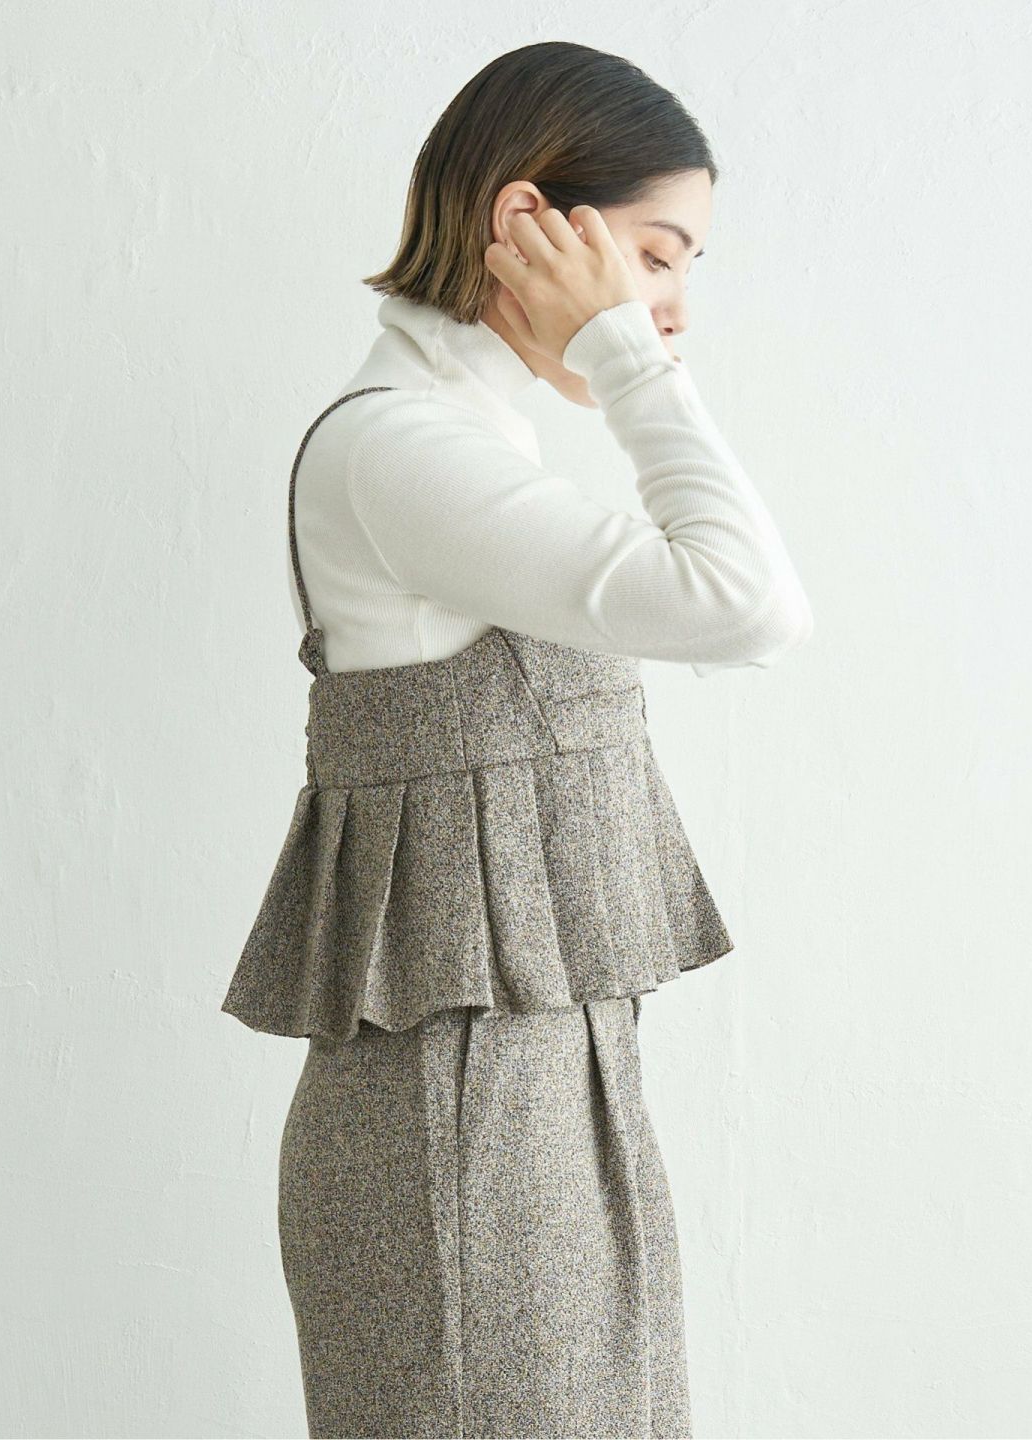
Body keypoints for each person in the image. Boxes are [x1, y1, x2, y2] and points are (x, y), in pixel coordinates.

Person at [222, 39, 813, 1440]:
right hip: (462, 1126)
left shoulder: (471, 441)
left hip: (534, 1102)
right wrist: (624, 357)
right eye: (655, 257)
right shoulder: (401, 451)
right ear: (528, 220)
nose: (672, 309)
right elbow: (747, 604)